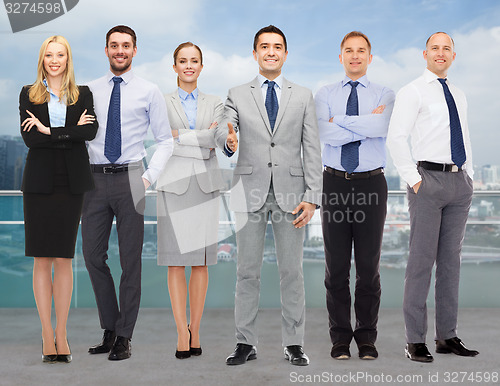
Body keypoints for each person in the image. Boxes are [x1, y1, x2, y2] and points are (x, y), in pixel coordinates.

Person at [216, 25, 322, 366]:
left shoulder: (303, 95)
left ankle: (294, 344)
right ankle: (245, 343)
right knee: (247, 272)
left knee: (292, 272)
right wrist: (228, 140)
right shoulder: (236, 93)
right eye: (265, 46)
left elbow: (312, 149)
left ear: (285, 54)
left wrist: (313, 196)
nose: (271, 52)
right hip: (249, 191)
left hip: (293, 195)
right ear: (255, 53)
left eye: (277, 47)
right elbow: (225, 126)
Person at [387, 32, 479, 363]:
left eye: (447, 49)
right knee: (421, 262)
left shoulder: (459, 93)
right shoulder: (412, 92)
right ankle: (415, 340)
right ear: (425, 53)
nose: (441, 53)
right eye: (435, 48)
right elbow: (396, 138)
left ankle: (447, 336)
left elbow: (464, 134)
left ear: (453, 55)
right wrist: (414, 181)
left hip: (459, 183)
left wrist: (469, 175)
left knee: (451, 264)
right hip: (427, 181)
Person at [82, 25, 173, 361]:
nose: (120, 51)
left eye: (126, 45)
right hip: (93, 181)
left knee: (130, 262)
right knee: (93, 257)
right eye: (114, 45)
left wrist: (148, 178)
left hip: (133, 179)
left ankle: (124, 335)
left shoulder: (150, 91)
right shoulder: (87, 90)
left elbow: (165, 140)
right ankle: (110, 327)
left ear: (135, 50)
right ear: (106, 50)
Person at [314, 31, 395, 360]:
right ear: (341, 57)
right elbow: (324, 132)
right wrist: (364, 121)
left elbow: (381, 128)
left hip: (371, 185)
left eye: (361, 51)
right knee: (336, 268)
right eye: (349, 50)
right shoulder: (325, 93)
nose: (355, 56)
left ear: (370, 57)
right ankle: (339, 336)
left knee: (368, 267)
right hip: (333, 184)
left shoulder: (385, 94)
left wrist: (341, 121)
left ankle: (366, 337)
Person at [19, 35, 98, 363]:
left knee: (64, 258)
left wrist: (50, 130)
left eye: (60, 54)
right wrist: (68, 131)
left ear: (68, 59)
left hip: (71, 182)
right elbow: (29, 139)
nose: (54, 60)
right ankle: (45, 333)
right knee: (41, 259)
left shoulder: (84, 94)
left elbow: (90, 133)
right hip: (38, 182)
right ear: (43, 59)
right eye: (49, 55)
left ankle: (61, 333)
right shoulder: (28, 93)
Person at [156, 42, 224, 359]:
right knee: (174, 262)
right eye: (182, 60)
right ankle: (180, 331)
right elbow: (161, 141)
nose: (188, 66)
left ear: (200, 66)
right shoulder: (161, 101)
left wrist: (179, 136)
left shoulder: (216, 103)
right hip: (173, 186)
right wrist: (199, 139)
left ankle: (195, 330)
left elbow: (217, 141)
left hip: (205, 187)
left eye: (193, 61)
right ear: (174, 66)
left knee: (200, 263)